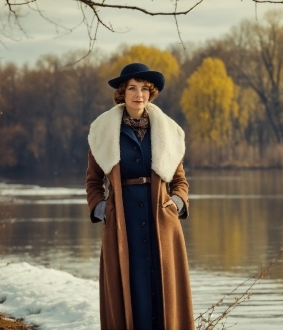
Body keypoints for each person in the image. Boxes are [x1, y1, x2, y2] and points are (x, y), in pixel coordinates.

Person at [85, 63, 194, 330]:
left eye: (144, 89)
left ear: (151, 93)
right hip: (122, 223)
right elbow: (92, 181)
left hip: (162, 224)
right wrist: (103, 210)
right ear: (122, 92)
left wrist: (175, 204)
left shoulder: (168, 131)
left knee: (163, 290)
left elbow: (180, 181)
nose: (139, 95)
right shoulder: (103, 131)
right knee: (130, 290)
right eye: (132, 88)